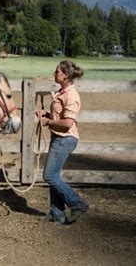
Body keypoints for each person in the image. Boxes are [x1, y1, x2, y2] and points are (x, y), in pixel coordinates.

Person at [39, 60, 89, 224]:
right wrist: (48, 115)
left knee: (50, 175)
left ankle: (77, 203)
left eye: (57, 72)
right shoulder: (63, 92)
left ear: (65, 75)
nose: (54, 74)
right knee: (53, 175)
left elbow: (68, 123)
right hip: (58, 137)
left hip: (65, 138)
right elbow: (60, 117)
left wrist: (49, 122)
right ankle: (56, 213)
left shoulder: (71, 95)